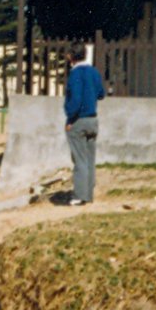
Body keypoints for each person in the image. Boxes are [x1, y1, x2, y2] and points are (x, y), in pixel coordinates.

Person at [63, 42, 105, 205]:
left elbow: (75, 100)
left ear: (71, 56)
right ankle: (88, 194)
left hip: (78, 120)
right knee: (89, 159)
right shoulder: (94, 72)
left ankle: (79, 196)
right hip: (93, 120)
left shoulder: (75, 74)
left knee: (79, 160)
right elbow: (101, 94)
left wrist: (70, 119)